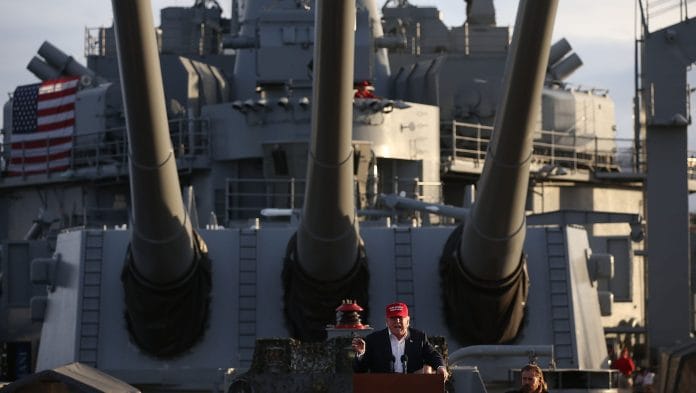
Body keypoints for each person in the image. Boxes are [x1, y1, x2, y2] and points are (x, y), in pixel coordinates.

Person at [352, 302, 448, 379]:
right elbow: (360, 370)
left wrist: (441, 367)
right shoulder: (373, 339)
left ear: (408, 321)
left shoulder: (419, 337)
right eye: (393, 318)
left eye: (400, 317)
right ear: (387, 321)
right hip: (383, 388)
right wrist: (361, 354)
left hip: (412, 387)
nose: (397, 321)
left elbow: (432, 355)